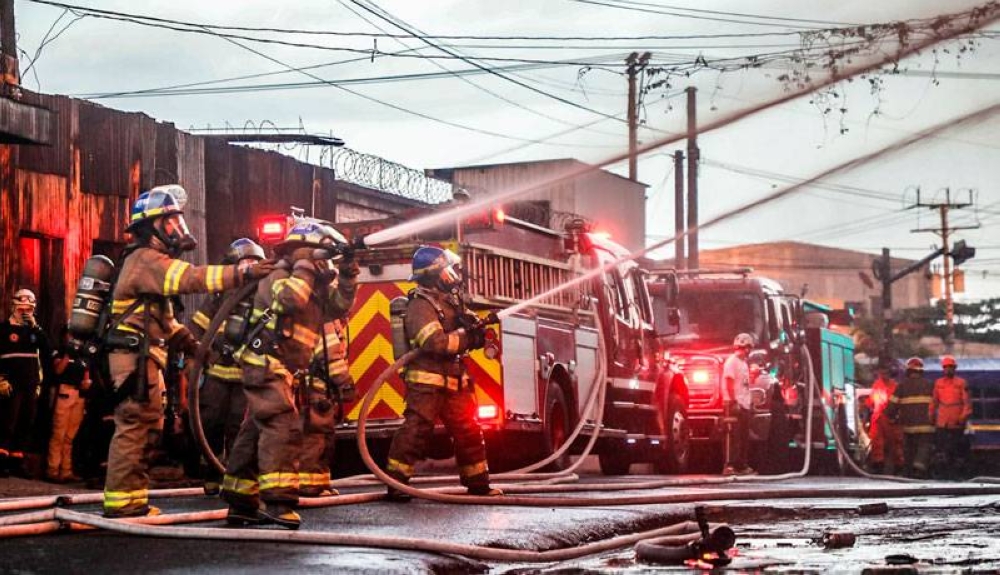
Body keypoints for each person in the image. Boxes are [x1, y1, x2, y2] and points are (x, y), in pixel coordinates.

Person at [102, 187, 273, 518]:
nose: (176, 229)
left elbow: (165, 321)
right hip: (134, 358)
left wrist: (193, 346)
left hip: (143, 358)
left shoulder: (146, 265)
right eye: (170, 223)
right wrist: (244, 272)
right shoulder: (145, 260)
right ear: (150, 226)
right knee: (135, 425)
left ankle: (131, 500)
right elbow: (192, 278)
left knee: (146, 426)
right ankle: (123, 504)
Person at [221, 220, 356, 529]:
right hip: (265, 362)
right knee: (282, 426)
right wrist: (307, 262)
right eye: (323, 256)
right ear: (306, 251)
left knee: (256, 429)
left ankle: (240, 499)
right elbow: (289, 299)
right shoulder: (278, 276)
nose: (326, 264)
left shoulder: (310, 285)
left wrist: (348, 274)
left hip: (279, 366)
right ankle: (278, 503)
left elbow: (338, 307)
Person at [384, 246, 501, 501]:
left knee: (468, 430)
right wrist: (465, 338)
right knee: (416, 432)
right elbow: (433, 343)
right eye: (448, 270)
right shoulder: (420, 305)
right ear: (435, 274)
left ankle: (478, 483)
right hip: (427, 383)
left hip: (454, 382)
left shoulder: (449, 302)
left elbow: (469, 332)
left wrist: (477, 333)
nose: (453, 275)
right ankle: (396, 484)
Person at [188, 238, 266, 495]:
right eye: (245, 262)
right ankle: (212, 474)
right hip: (216, 374)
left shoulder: (263, 296)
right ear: (233, 265)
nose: (250, 267)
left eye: (255, 262)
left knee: (238, 428)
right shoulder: (219, 297)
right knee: (210, 424)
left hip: (245, 376)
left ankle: (234, 479)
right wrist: (191, 357)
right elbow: (197, 329)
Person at [0, 289, 53, 477]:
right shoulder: (4, 329)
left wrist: (36, 328)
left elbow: (47, 351)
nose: (25, 313)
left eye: (29, 309)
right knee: (8, 422)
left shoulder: (34, 332)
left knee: (26, 422)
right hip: (10, 384)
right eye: (22, 309)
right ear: (14, 307)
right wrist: (1, 379)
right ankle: (2, 462)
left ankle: (16, 462)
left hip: (30, 384)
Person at [46, 328, 92, 482]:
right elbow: (58, 371)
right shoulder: (60, 352)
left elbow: (87, 376)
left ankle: (66, 471)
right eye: (71, 336)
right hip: (64, 392)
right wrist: (67, 355)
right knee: (58, 433)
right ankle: (52, 469)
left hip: (79, 396)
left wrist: (87, 383)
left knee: (70, 436)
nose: (74, 340)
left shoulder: (83, 357)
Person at [886, 357, 934, 478]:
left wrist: (891, 417)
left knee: (909, 449)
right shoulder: (930, 385)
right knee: (924, 447)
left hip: (908, 426)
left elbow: (892, 406)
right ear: (921, 371)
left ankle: (909, 472)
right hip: (926, 426)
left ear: (908, 371)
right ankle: (919, 470)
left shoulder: (902, 386)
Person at [930, 355, 972, 479]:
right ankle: (943, 474)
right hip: (942, 422)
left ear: (954, 368)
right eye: (946, 367)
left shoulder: (961, 383)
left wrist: (962, 417)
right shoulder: (938, 383)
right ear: (943, 369)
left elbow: (967, 403)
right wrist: (931, 416)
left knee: (957, 450)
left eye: (951, 367)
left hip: (956, 422)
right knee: (942, 450)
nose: (948, 370)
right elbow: (934, 401)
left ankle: (957, 474)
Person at [721, 333, 755, 476]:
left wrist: (750, 402)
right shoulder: (732, 362)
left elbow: (745, 386)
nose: (749, 351)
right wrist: (734, 401)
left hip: (744, 405)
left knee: (743, 437)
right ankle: (730, 465)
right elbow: (729, 381)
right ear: (746, 347)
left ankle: (741, 465)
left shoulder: (743, 364)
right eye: (748, 348)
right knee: (734, 436)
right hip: (734, 404)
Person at [865, 362, 904, 474]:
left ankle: (899, 466)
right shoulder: (877, 385)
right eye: (881, 372)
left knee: (896, 443)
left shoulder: (895, 386)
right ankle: (878, 464)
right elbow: (871, 401)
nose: (883, 375)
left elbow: (898, 403)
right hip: (878, 418)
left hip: (891, 418)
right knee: (877, 442)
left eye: (885, 372)